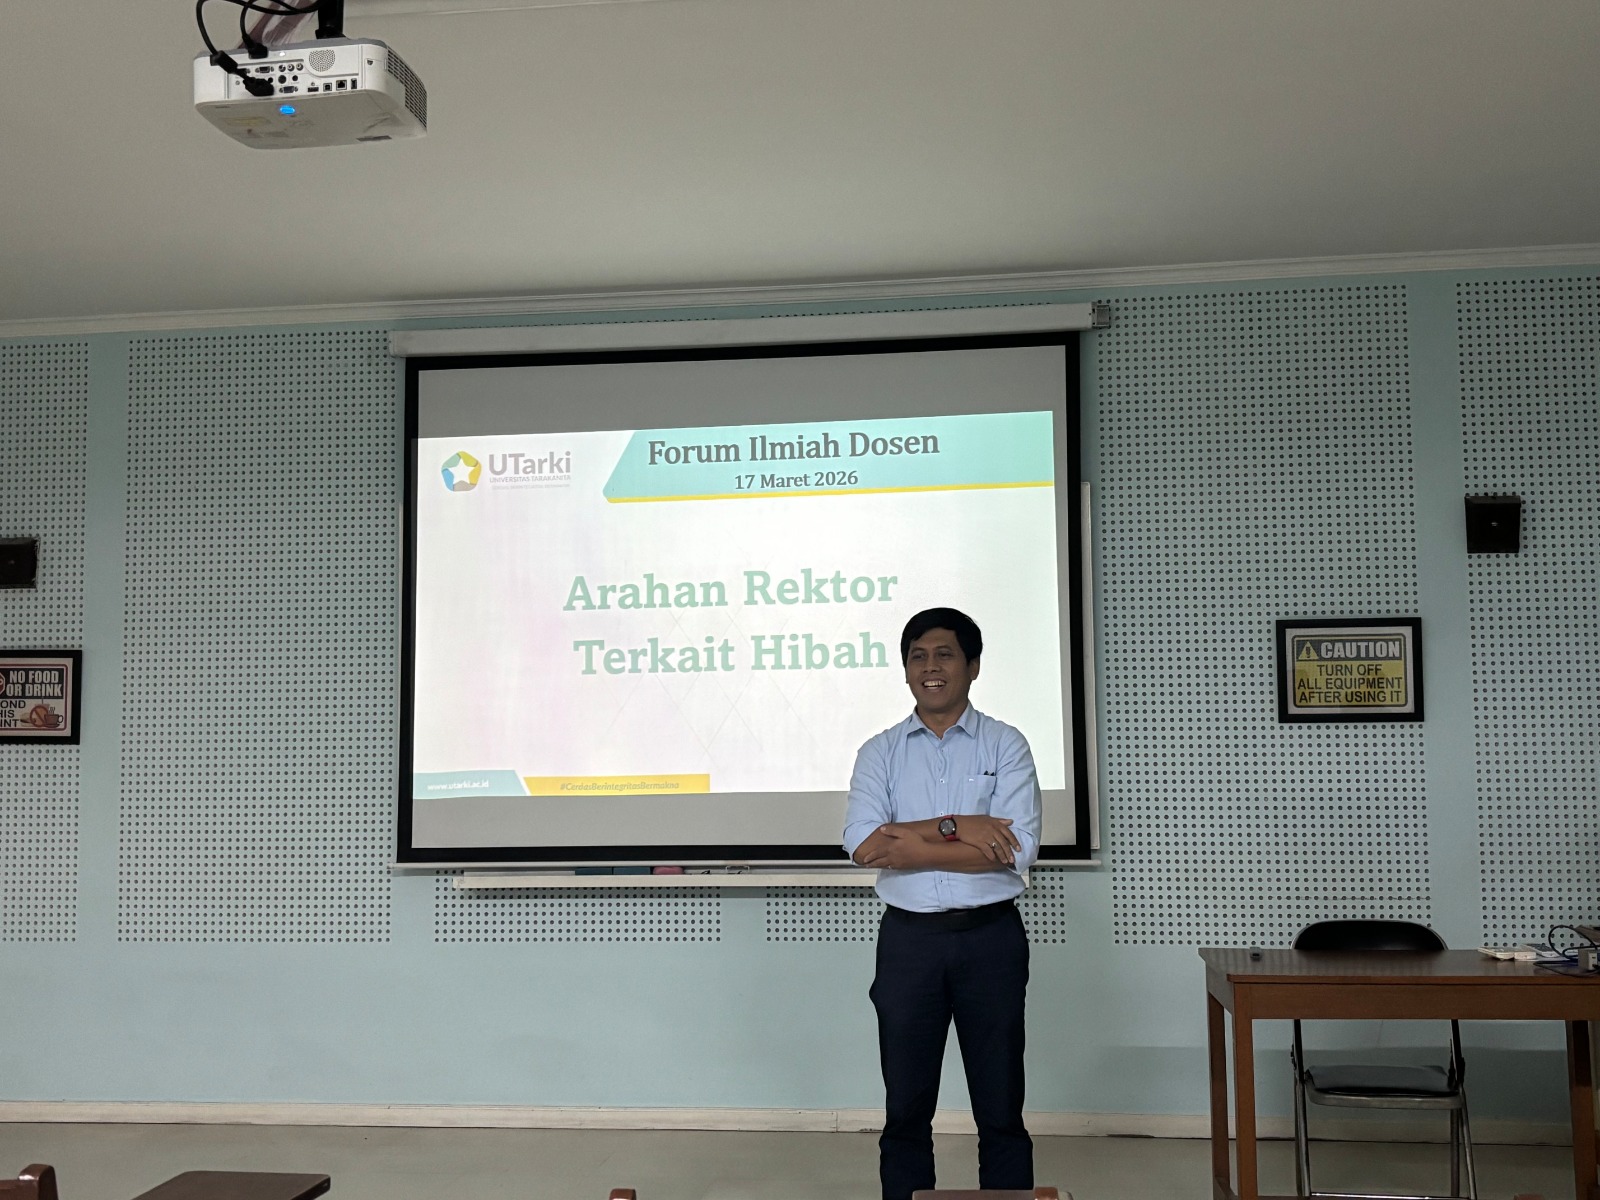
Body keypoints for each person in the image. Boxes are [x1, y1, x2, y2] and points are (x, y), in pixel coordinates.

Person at [843, 607, 1042, 1200]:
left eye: (945, 654)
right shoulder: (879, 751)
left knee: (1000, 1105)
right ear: (907, 670)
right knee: (905, 1107)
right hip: (910, 943)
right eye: (918, 656)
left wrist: (914, 843)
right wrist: (961, 826)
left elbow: (1016, 850)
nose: (931, 667)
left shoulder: (1006, 744)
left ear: (973, 666)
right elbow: (866, 846)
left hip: (991, 938)